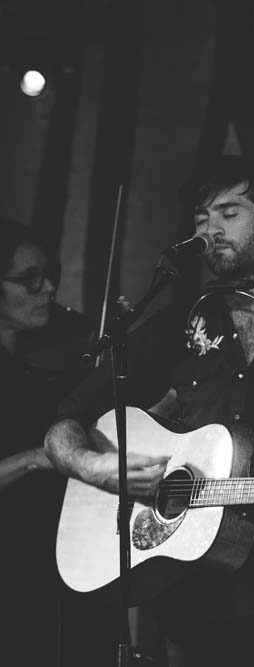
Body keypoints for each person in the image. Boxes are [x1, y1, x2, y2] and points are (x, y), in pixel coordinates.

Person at [44, 155, 254, 665]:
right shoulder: (176, 325)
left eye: (229, 213)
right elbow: (65, 421)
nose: (211, 229)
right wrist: (99, 468)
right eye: (201, 218)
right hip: (190, 594)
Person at [0, 219, 97, 665]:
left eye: (48, 275)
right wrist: (36, 459)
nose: (49, 289)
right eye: (28, 280)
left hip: (68, 537)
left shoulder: (63, 346)